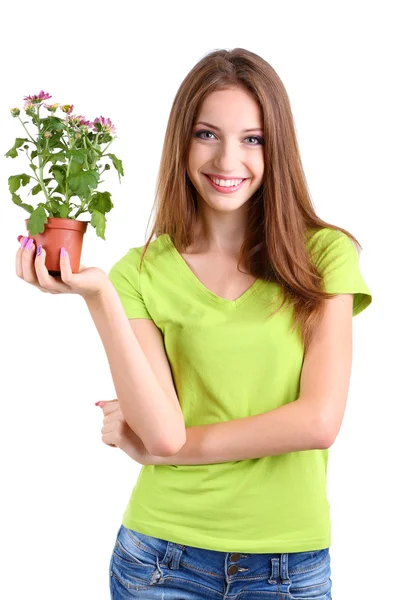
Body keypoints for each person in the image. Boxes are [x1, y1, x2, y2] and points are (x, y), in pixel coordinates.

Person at [15, 48, 372, 599]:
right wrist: (100, 297)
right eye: (208, 134)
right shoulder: (137, 273)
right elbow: (162, 430)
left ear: (277, 148)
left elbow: (318, 421)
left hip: (287, 567)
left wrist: (160, 449)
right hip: (160, 559)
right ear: (182, 141)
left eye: (252, 139)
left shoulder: (324, 256)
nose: (228, 160)